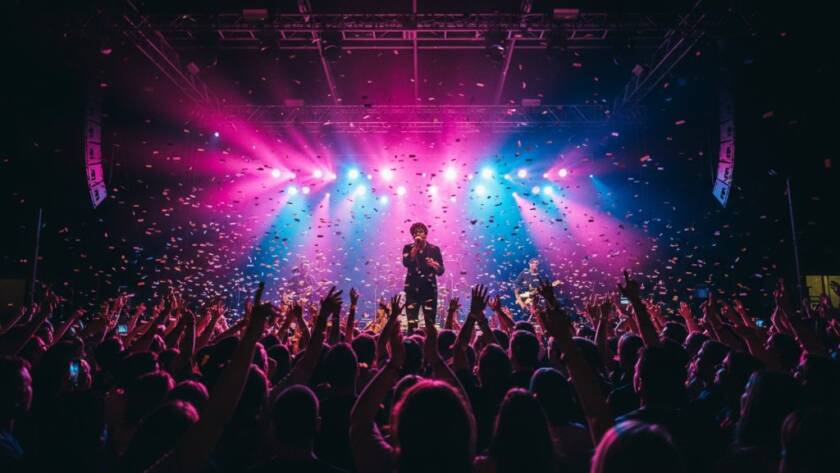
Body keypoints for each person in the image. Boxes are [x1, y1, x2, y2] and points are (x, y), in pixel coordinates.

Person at [402, 222, 444, 331]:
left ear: (425, 233)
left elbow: (441, 271)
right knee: (412, 322)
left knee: (430, 323)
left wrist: (434, 264)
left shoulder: (434, 249)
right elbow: (406, 263)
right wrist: (415, 248)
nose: (418, 234)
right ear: (412, 236)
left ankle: (430, 346)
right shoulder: (407, 248)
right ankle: (411, 344)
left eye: (420, 231)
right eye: (415, 233)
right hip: (412, 290)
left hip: (429, 289)